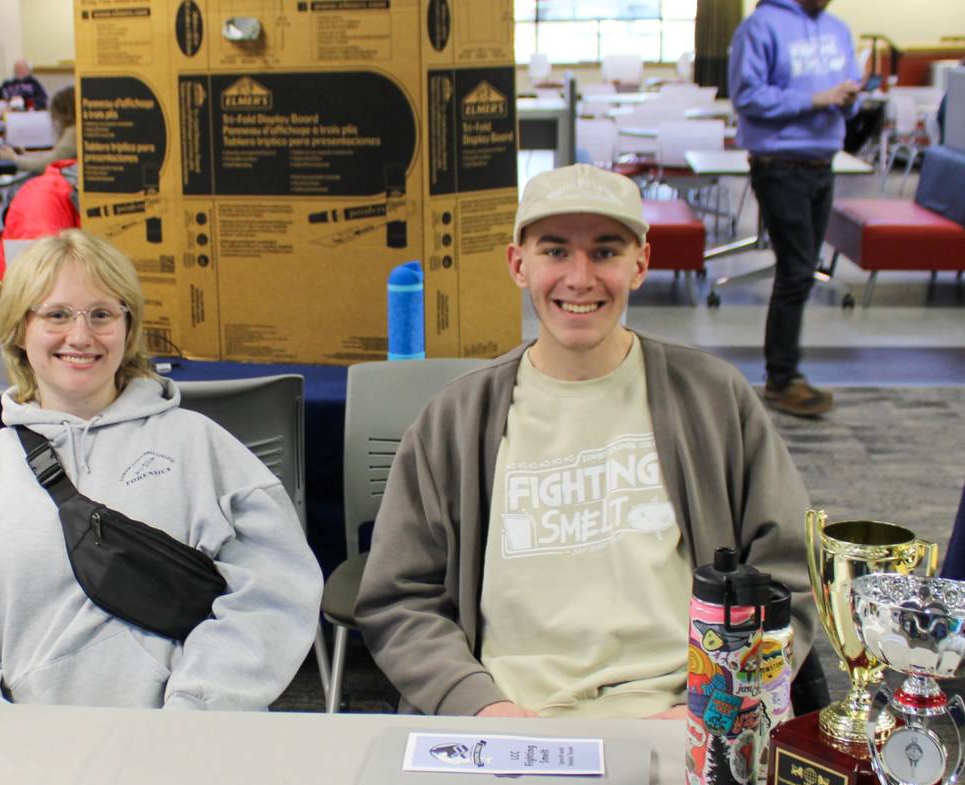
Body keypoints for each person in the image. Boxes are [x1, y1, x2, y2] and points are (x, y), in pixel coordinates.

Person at [351, 164, 816, 720]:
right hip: (511, 718)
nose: (579, 278)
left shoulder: (714, 400)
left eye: (604, 252)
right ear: (517, 264)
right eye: (554, 252)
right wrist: (478, 705)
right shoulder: (454, 420)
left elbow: (789, 572)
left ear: (640, 263)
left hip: (688, 712)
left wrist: (719, 701)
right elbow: (401, 598)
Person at [0, 230, 320, 708]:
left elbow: (276, 588)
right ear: (18, 331)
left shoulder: (201, 445)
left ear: (128, 329)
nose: (81, 336)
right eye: (57, 314)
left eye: (102, 314)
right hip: (27, 754)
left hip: (179, 743)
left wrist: (199, 704)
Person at [729, 0, 861, 418]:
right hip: (779, 165)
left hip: (824, 162)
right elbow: (747, 95)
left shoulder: (838, 29)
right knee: (797, 270)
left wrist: (850, 98)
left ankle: (785, 375)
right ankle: (782, 379)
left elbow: (848, 88)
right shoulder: (761, 27)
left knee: (802, 267)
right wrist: (816, 99)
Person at [0, 86, 77, 173]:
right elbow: (55, 156)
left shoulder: (73, 133)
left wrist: (13, 159)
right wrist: (27, 156)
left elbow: (46, 165)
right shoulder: (77, 131)